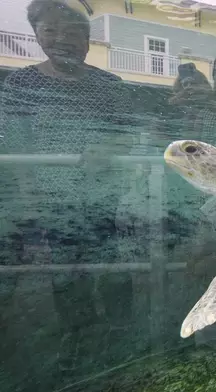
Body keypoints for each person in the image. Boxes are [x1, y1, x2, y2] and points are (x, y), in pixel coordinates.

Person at [0, 0, 135, 371]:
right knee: (66, 279)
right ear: (36, 36)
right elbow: (14, 143)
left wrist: (107, 146)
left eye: (73, 31)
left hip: (102, 200)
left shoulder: (110, 84)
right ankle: (78, 343)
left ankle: (120, 342)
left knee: (109, 272)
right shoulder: (21, 83)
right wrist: (29, 198)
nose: (62, 39)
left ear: (88, 40)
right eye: (51, 30)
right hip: (49, 205)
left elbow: (128, 136)